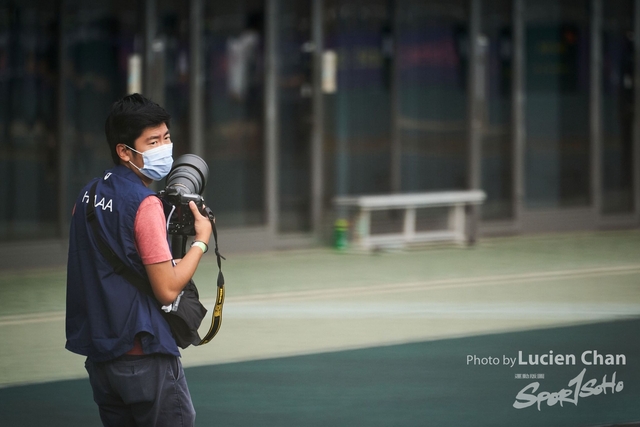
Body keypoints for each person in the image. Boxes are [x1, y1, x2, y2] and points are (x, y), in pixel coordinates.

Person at [65, 93, 212, 427]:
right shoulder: (144, 204)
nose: (164, 148)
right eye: (153, 141)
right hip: (143, 355)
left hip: (102, 358)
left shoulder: (87, 196)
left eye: (166, 138)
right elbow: (166, 290)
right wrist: (200, 242)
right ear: (123, 150)